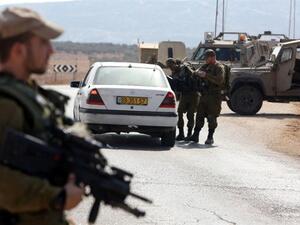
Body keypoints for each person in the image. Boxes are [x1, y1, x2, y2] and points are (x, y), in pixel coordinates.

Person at [0, 7, 84, 225]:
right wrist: (57, 198)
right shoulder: (6, 103)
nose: (51, 51)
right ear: (18, 50)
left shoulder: (29, 93)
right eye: (43, 43)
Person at [186, 49, 224, 145]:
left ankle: (210, 137)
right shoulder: (205, 66)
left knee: (211, 117)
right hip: (204, 95)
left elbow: (219, 80)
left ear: (212, 57)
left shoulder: (219, 67)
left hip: (214, 96)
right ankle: (195, 135)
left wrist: (206, 75)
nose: (205, 60)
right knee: (199, 116)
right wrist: (195, 73)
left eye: (207, 58)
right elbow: (197, 73)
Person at [165, 58, 200, 141]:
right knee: (180, 112)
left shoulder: (184, 68)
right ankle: (181, 133)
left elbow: (183, 80)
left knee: (190, 115)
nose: (170, 68)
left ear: (174, 64)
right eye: (169, 67)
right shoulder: (175, 72)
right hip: (184, 94)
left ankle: (189, 134)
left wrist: (173, 80)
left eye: (171, 66)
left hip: (193, 94)